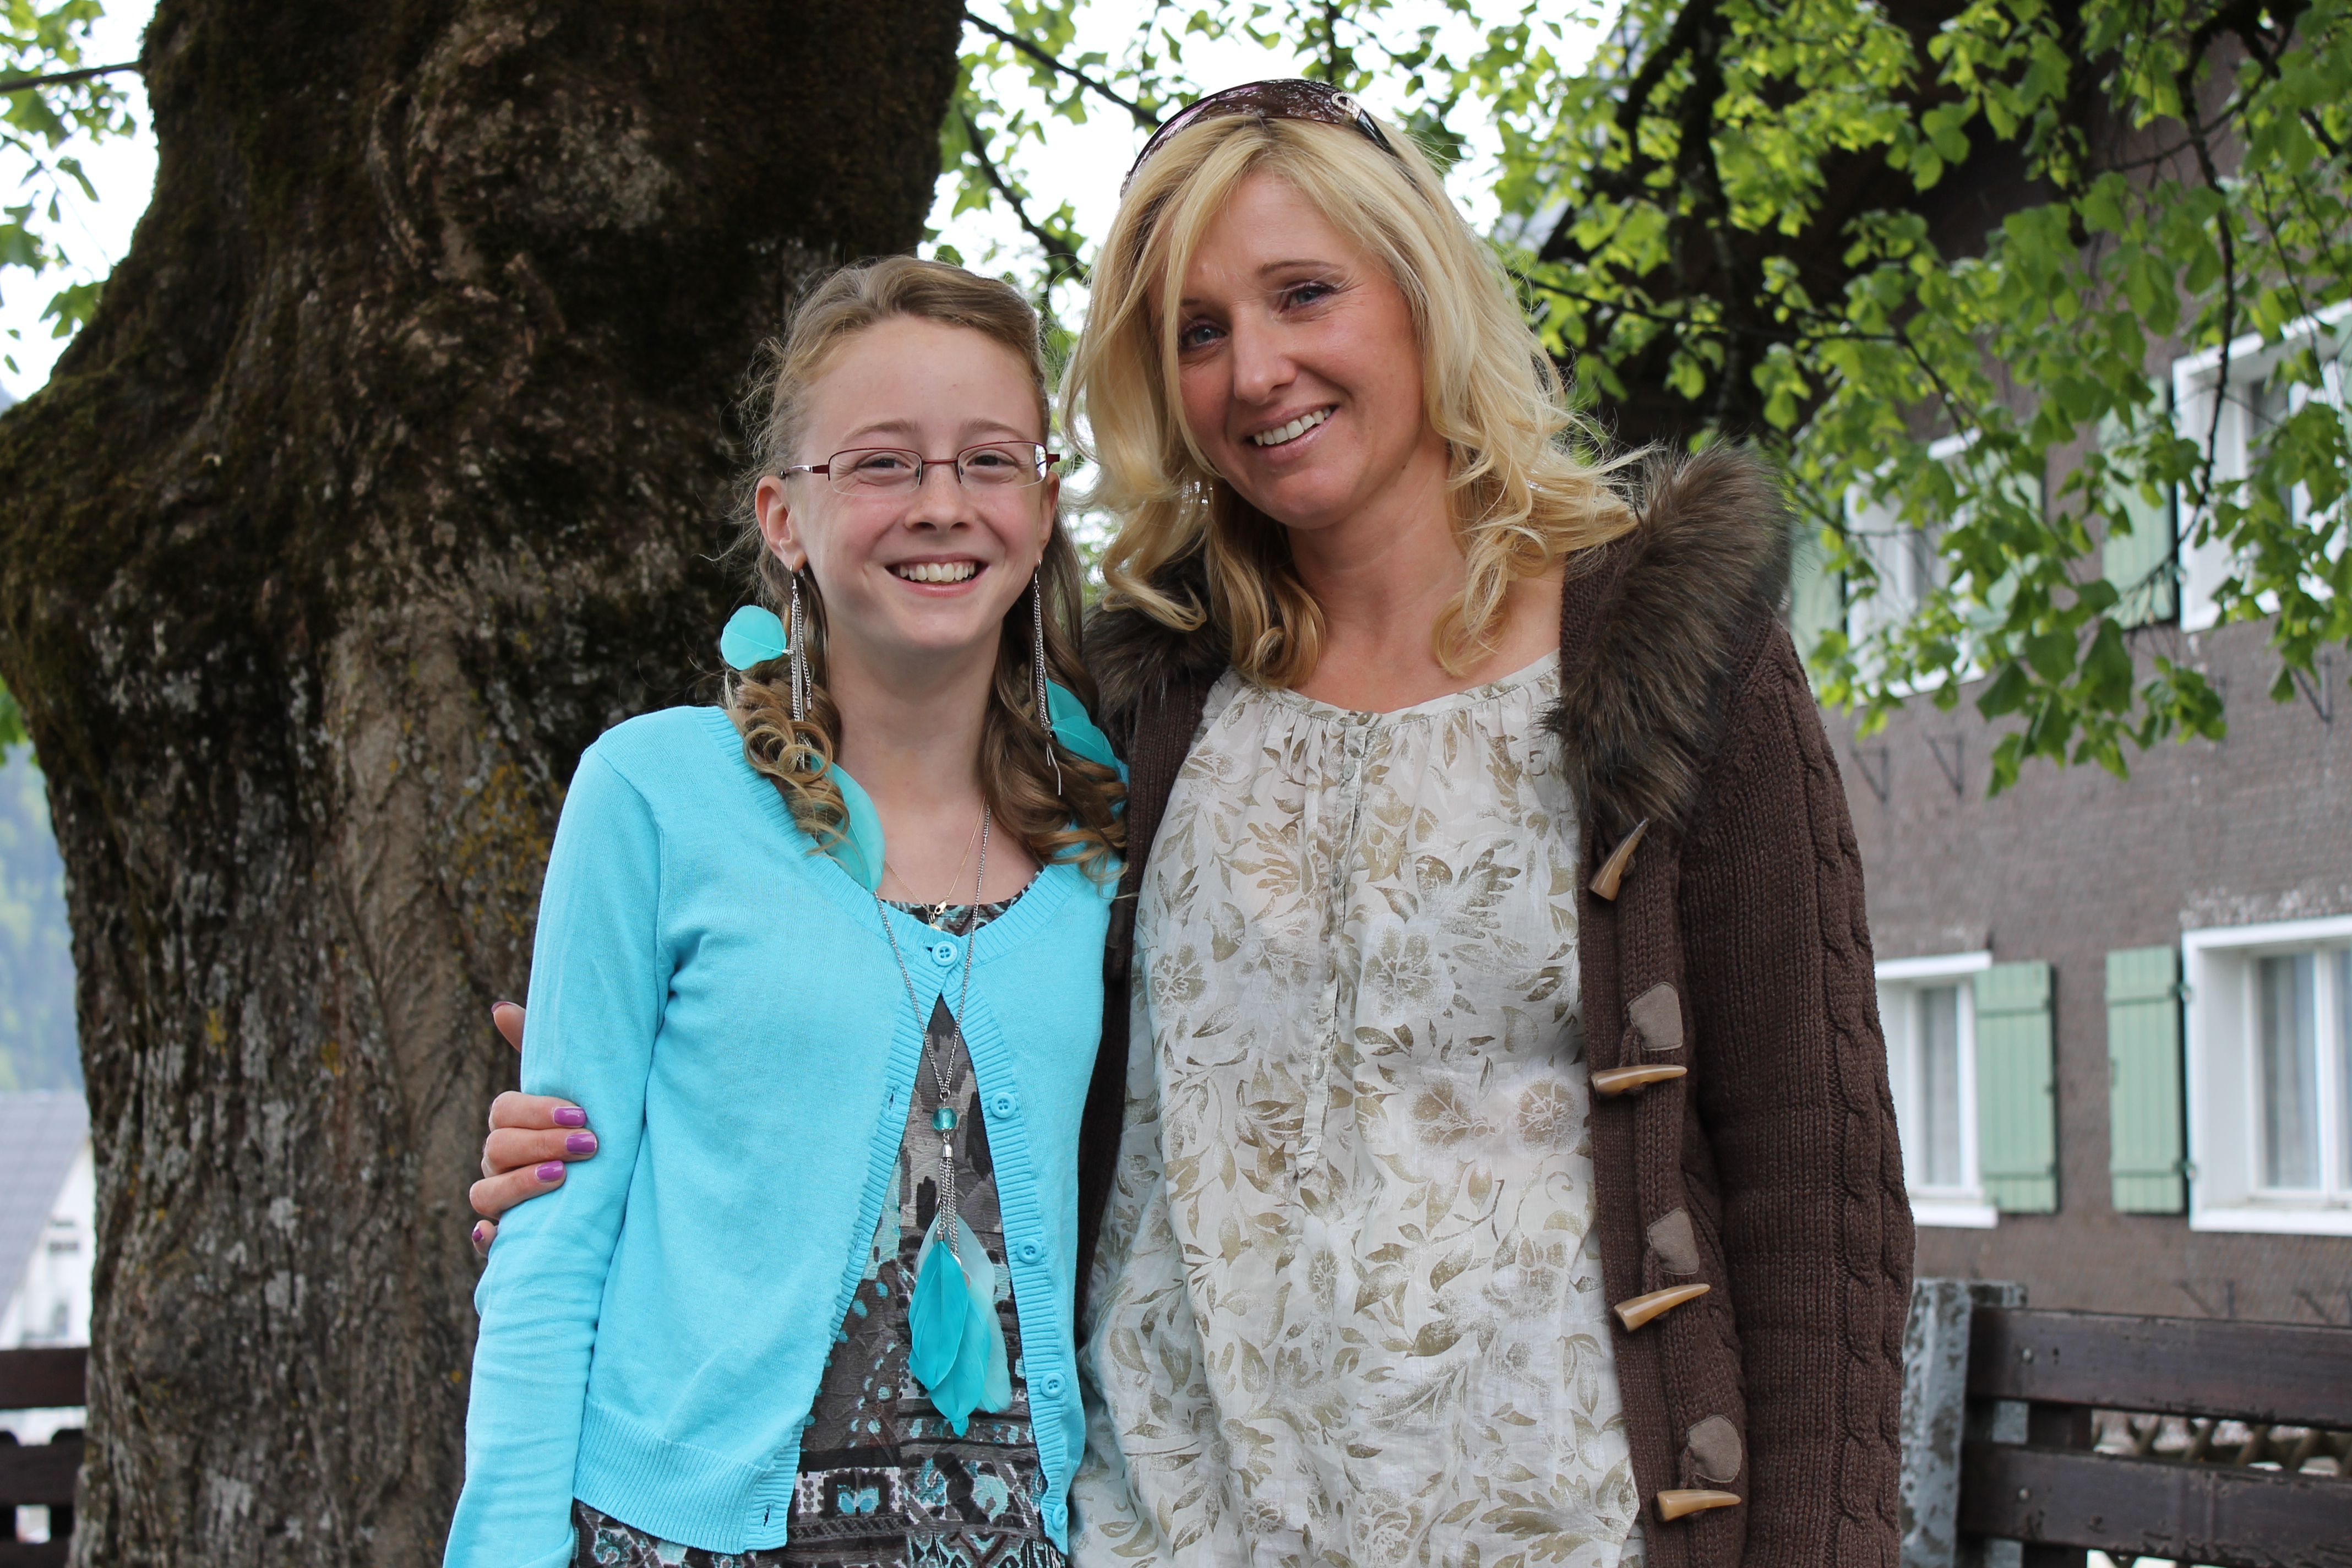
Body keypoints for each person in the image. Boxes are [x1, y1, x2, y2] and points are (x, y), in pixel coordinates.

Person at [476, 83, 1913, 1568]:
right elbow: (911, 1005)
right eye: (1198, 331)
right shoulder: (1139, 708)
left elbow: (1817, 1186)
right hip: (1155, 1535)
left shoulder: (1667, 660)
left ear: (1422, 290)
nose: (1257, 369)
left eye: (1305, 294)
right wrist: (613, 1123)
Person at [446, 256, 1124, 1568]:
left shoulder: (1102, 847)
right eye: (882, 463)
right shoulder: (652, 794)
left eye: (990, 461)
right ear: (784, 516)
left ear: (1044, 506)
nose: (942, 503)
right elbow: (553, 1236)